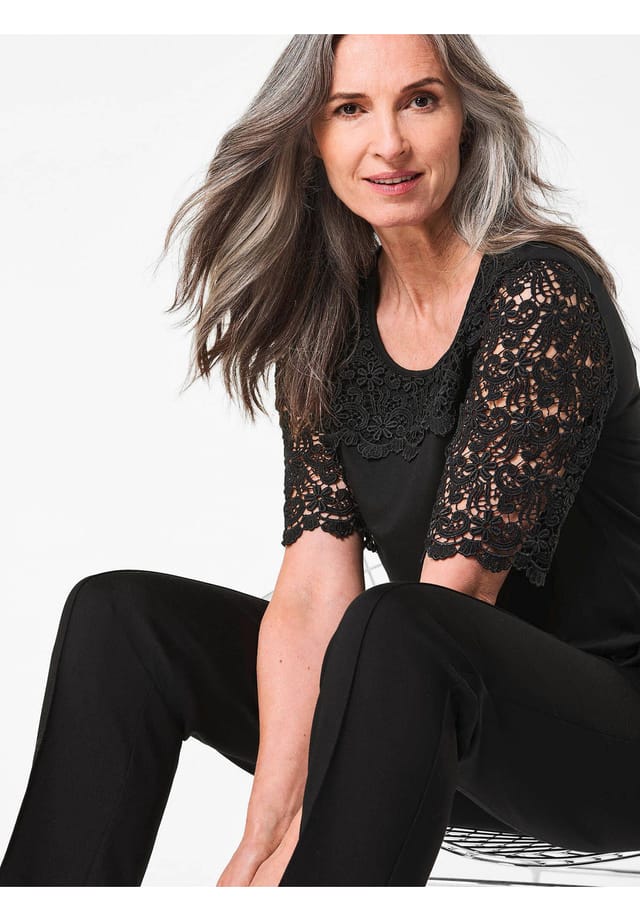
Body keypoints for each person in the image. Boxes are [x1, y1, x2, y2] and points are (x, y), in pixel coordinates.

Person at [2, 32, 640, 888]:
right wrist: (261, 838)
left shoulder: (539, 296)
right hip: (424, 727)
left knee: (401, 623)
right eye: (351, 109)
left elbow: (454, 601)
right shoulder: (334, 322)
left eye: (420, 100)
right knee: (121, 616)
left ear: (466, 118)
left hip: (600, 750)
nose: (390, 143)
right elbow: (311, 597)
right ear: (314, 135)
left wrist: (305, 843)